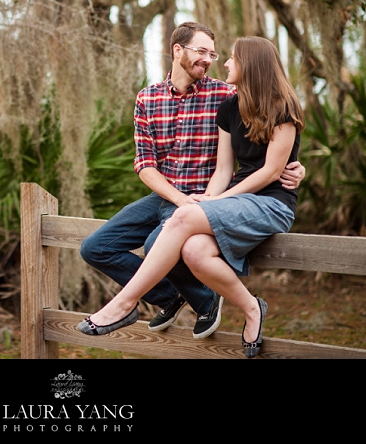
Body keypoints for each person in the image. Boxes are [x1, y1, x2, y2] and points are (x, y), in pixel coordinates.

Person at [78, 36, 306, 358]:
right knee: (189, 250)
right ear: (178, 50)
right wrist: (198, 199)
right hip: (188, 196)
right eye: (205, 52)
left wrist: (210, 200)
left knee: (172, 229)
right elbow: (219, 168)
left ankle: (124, 304)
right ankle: (246, 306)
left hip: (249, 201)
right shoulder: (208, 103)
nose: (219, 61)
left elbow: (272, 169)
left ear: (249, 65)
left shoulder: (252, 99)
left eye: (222, 56)